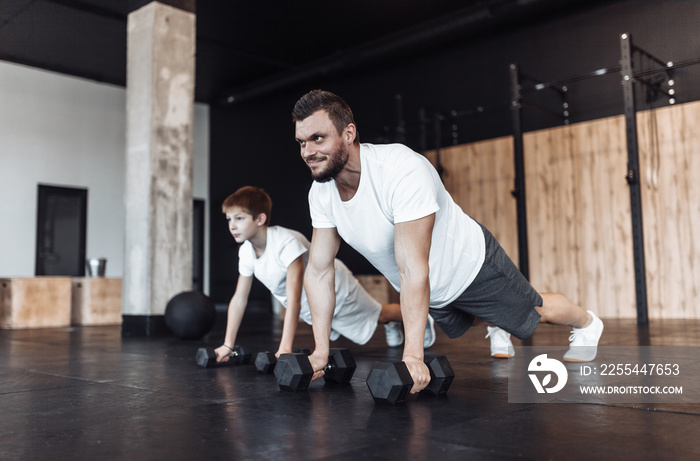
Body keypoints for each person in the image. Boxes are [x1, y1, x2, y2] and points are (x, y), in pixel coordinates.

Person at [292, 89, 604, 392]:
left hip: (470, 265)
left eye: (318, 138)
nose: (308, 152)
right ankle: (497, 322)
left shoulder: (400, 169)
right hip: (434, 289)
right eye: (302, 142)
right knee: (474, 319)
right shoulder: (321, 194)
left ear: (349, 133)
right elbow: (319, 271)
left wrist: (413, 356)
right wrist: (321, 350)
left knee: (536, 313)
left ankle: (587, 324)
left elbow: (413, 268)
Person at [214, 186, 436, 363]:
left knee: (378, 315)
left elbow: (292, 299)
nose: (232, 226)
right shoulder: (246, 252)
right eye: (229, 220)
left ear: (260, 219)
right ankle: (393, 324)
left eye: (239, 219)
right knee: (348, 326)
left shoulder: (286, 243)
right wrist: (228, 345)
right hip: (309, 303)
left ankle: (421, 319)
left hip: (335, 286)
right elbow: (239, 299)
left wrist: (285, 348)